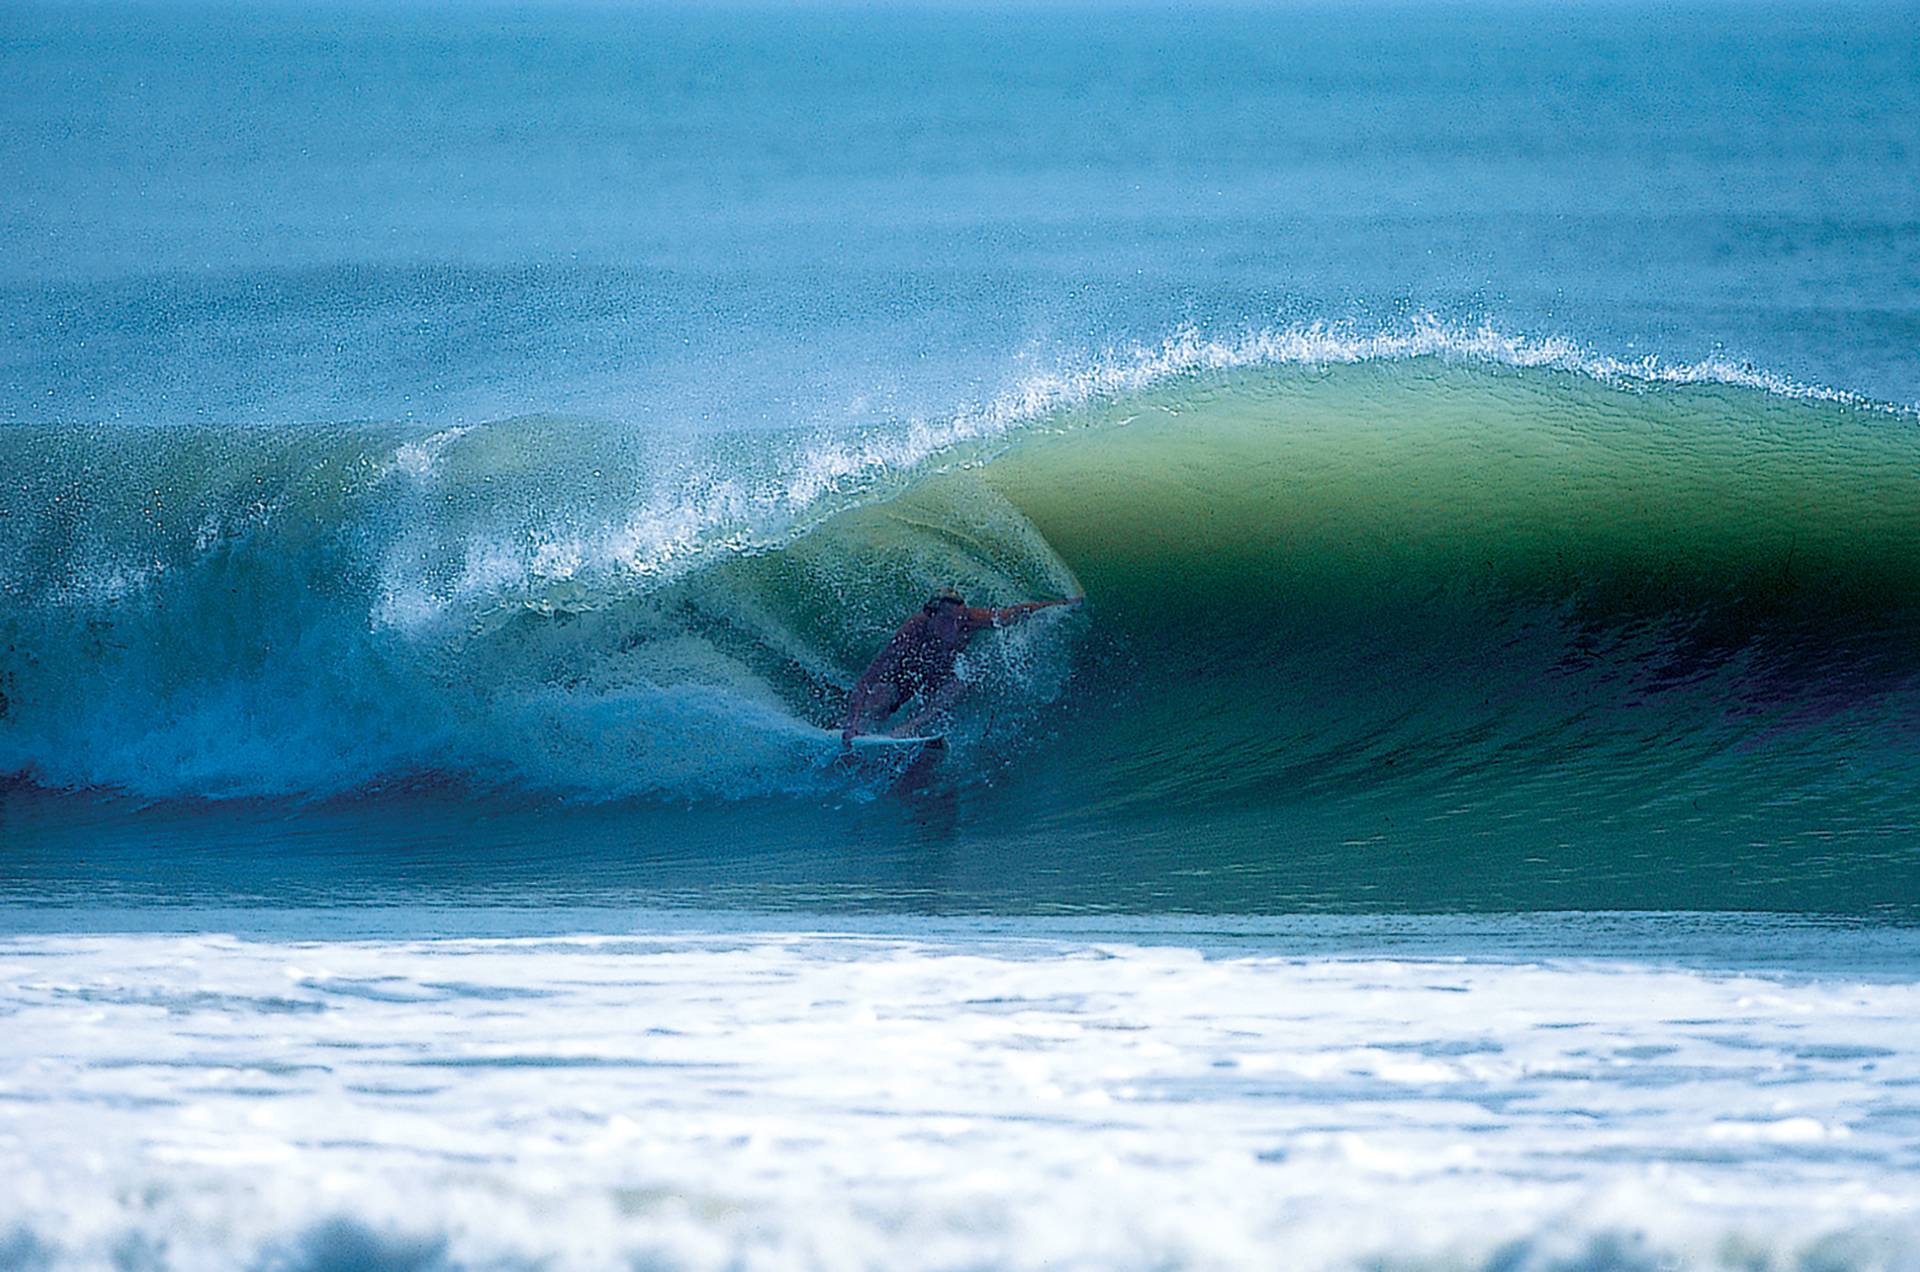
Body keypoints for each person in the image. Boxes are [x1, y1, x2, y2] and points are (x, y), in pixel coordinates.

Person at [840, 589, 1082, 743]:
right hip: (908, 675)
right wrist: (852, 723)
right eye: (946, 619)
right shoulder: (913, 629)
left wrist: (1063, 604)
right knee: (880, 697)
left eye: (958, 619)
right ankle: (855, 732)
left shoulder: (971, 620)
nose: (954, 626)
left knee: (970, 671)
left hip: (943, 676)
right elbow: (867, 680)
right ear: (930, 615)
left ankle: (910, 727)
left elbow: (1017, 612)